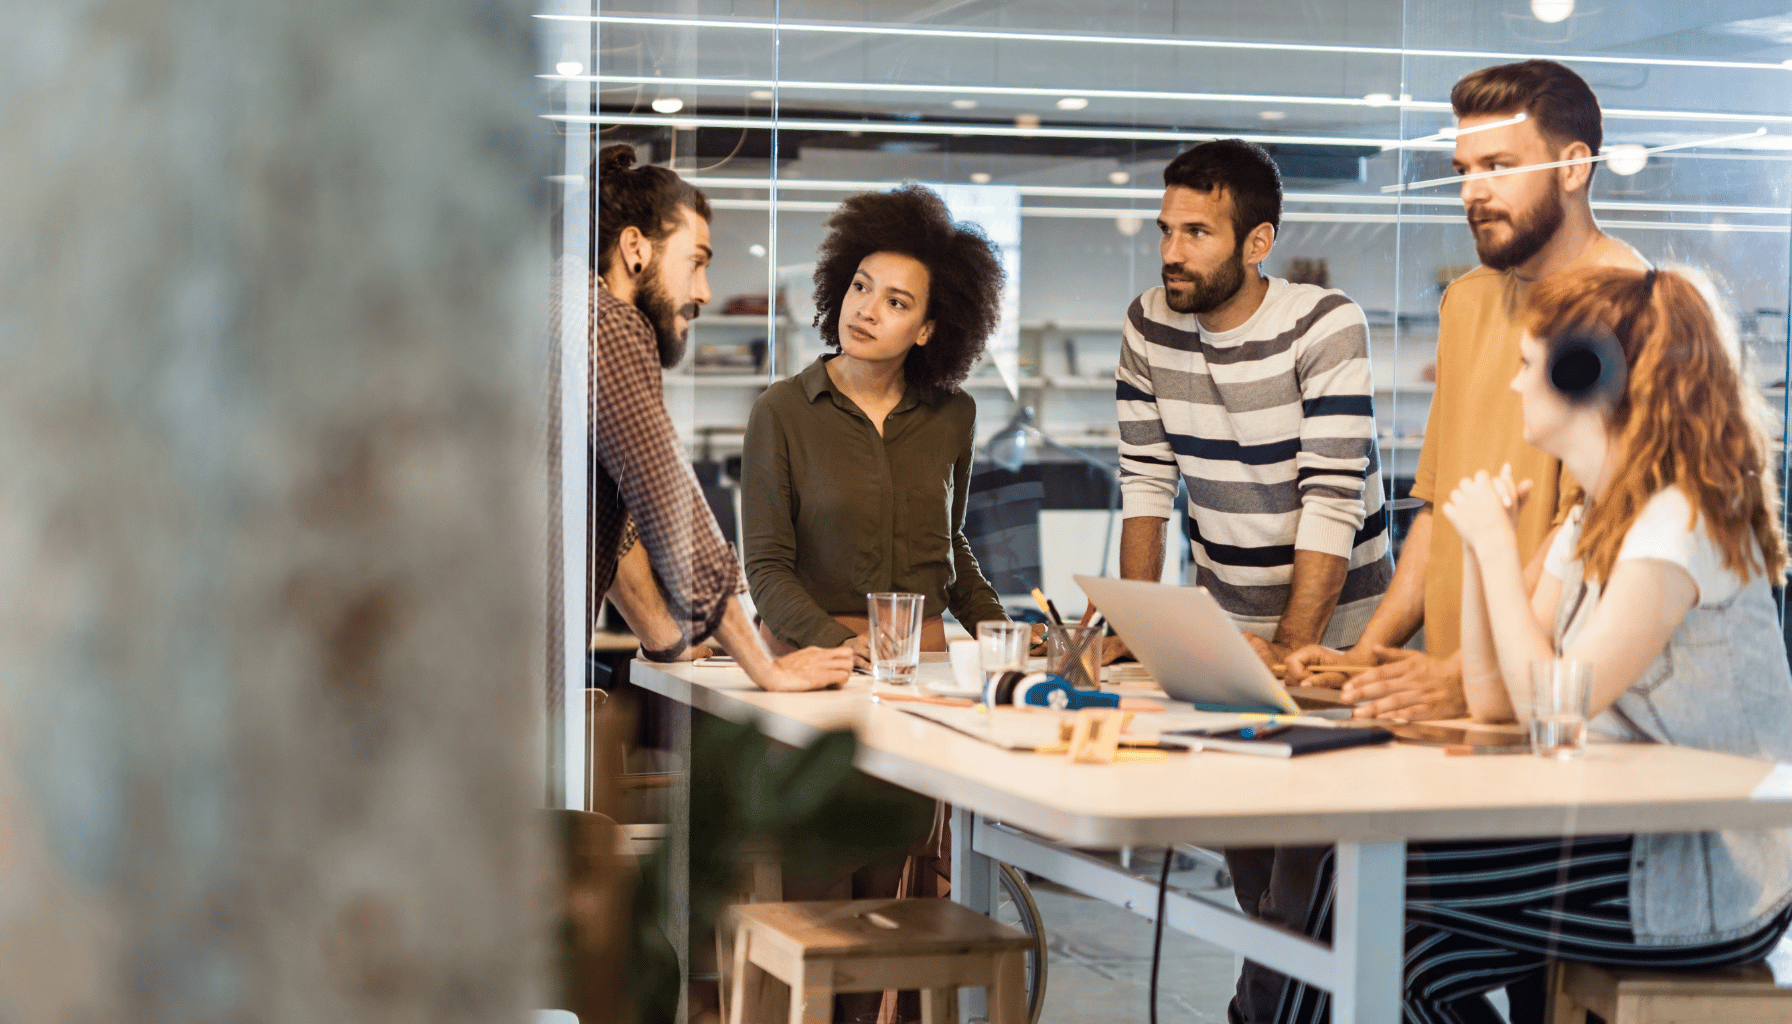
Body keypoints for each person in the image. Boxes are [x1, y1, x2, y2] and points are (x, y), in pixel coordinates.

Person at [1276, 266, 1792, 1024]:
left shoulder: (1676, 521)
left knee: (1362, 902)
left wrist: (1490, 545)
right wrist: (1492, 558)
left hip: (1698, 878)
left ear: (1584, 380)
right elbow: (1494, 697)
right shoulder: (1594, 518)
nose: (1514, 386)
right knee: (1374, 920)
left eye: (1526, 366)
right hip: (1625, 844)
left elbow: (1553, 703)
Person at [1113, 138, 1392, 1024]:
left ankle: (1263, 1013)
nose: (1172, 251)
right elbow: (1146, 481)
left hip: (1342, 631)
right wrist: (1144, 620)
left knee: (1302, 874)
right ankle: (1292, 1004)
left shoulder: (1325, 323)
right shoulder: (1148, 323)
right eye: (1167, 228)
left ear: (1257, 241)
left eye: (1197, 232)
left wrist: (1298, 647)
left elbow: (1331, 497)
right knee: (1254, 868)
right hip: (1223, 628)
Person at [1286, 59, 1649, 721]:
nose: (1472, 194)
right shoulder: (1467, 302)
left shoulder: (1629, 304)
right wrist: (1369, 653)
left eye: (1500, 166)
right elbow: (1437, 507)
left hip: (1546, 702)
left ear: (1573, 168)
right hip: (1442, 692)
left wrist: (1469, 677)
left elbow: (1582, 531)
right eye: (1464, 172)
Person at [589, 144, 850, 692]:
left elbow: (609, 526)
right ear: (635, 248)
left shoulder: (566, 308)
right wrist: (766, 667)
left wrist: (669, 640)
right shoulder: (609, 324)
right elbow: (670, 507)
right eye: (697, 262)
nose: (704, 292)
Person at [742, 184, 1012, 666]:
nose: (866, 310)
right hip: (811, 656)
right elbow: (767, 570)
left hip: (922, 658)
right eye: (861, 286)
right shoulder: (781, 409)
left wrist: (1000, 630)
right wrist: (840, 644)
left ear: (929, 328)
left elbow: (948, 545)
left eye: (897, 302)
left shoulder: (953, 415)